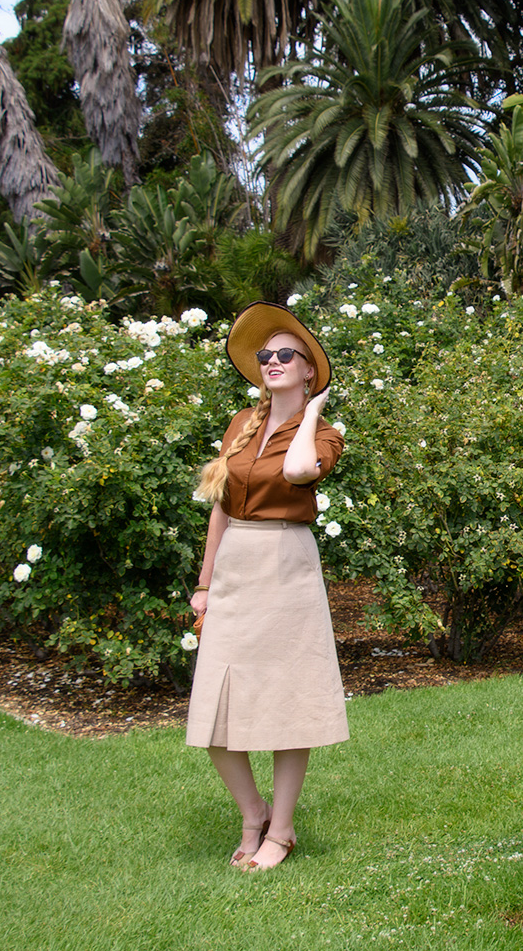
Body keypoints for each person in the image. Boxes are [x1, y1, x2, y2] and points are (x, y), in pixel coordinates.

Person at [186, 302, 347, 871]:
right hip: (236, 567)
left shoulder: (325, 435)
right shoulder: (240, 425)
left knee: (287, 703)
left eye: (286, 355)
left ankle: (279, 830)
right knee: (213, 710)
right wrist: (205, 584)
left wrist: (309, 414)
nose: (272, 362)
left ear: (309, 371)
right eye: (265, 356)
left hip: (286, 566)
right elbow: (220, 511)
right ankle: (251, 812)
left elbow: (300, 472)